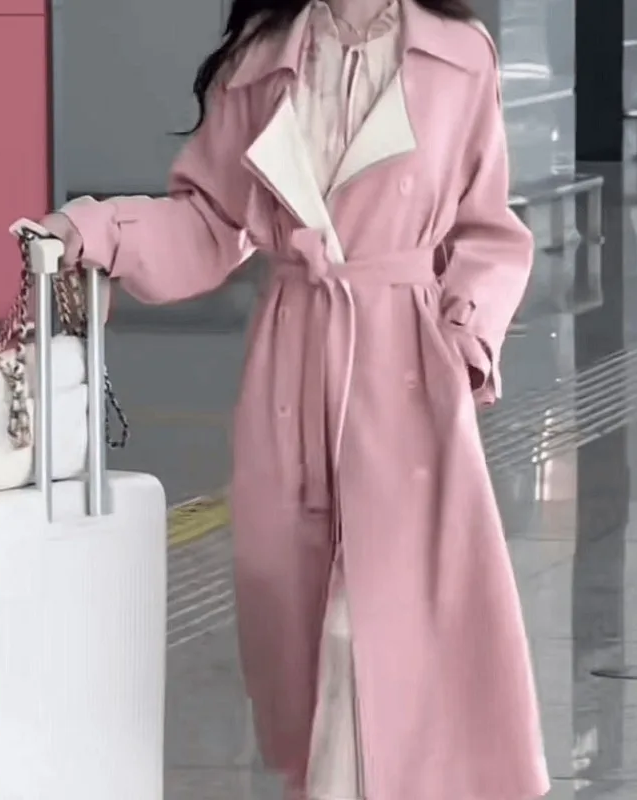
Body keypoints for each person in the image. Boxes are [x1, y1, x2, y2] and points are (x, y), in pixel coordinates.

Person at [41, 0, 550, 797]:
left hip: (408, 375)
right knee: (301, 633)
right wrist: (101, 232)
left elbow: (487, 231)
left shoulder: (458, 55)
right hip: (293, 367)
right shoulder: (263, 58)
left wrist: (464, 340)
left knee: (383, 636)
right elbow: (210, 224)